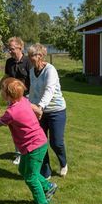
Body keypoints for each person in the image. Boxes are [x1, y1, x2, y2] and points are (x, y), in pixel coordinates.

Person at [28, 43, 69, 179]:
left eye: (32, 55)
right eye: (29, 55)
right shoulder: (31, 70)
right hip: (39, 112)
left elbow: (49, 90)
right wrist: (28, 105)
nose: (30, 58)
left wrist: (40, 107)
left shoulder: (50, 70)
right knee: (40, 142)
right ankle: (46, 172)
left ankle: (63, 163)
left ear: (40, 56)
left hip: (56, 110)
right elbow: (33, 91)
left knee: (56, 142)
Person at [0, 37, 32, 165]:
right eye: (9, 49)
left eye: (13, 49)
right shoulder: (9, 62)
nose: (10, 51)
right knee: (15, 128)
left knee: (28, 128)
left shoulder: (28, 62)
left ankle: (30, 153)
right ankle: (19, 154)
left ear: (21, 48)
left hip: (28, 98)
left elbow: (35, 80)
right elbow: (6, 77)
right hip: (13, 100)